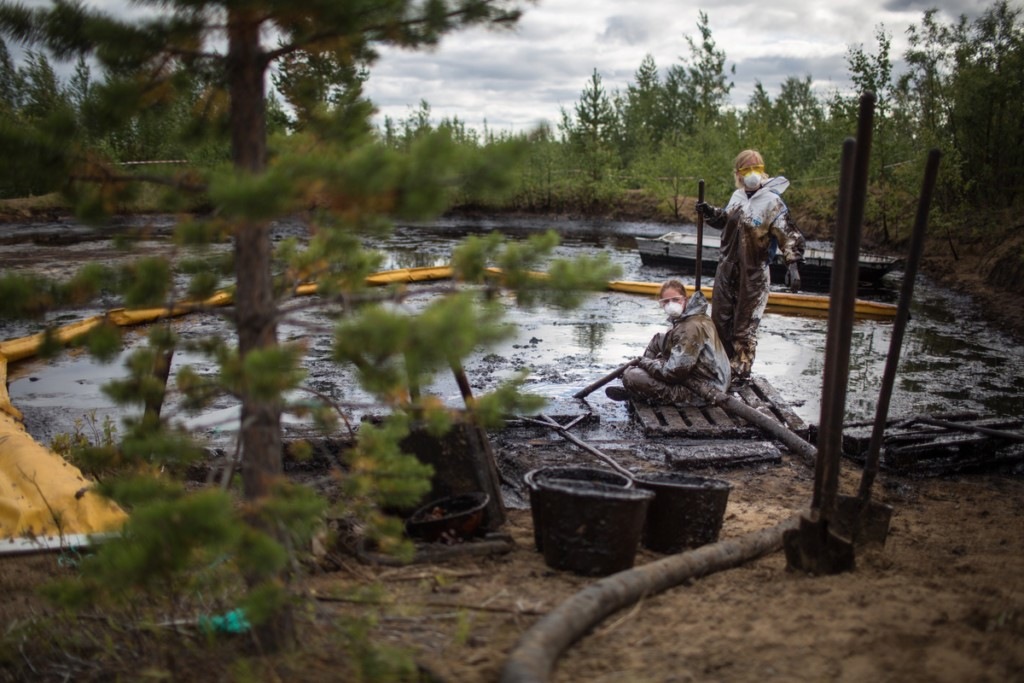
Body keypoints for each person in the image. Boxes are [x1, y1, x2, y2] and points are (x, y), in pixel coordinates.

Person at [696, 149, 805, 385]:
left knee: (744, 330)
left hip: (754, 274)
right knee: (720, 322)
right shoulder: (737, 197)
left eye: (757, 168)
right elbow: (726, 221)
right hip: (726, 270)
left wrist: (793, 266)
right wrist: (710, 213)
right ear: (738, 174)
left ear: (763, 171)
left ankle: (740, 376)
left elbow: (789, 234)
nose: (752, 174)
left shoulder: (772, 201)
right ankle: (719, 371)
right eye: (747, 169)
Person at [605, 279, 731, 405]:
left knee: (631, 376)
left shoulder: (690, 327)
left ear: (685, 299)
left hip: (702, 389)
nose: (671, 304)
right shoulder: (693, 316)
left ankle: (639, 389)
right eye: (666, 301)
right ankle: (642, 384)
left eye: (675, 300)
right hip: (700, 374)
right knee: (658, 340)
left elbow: (675, 372)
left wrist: (647, 363)